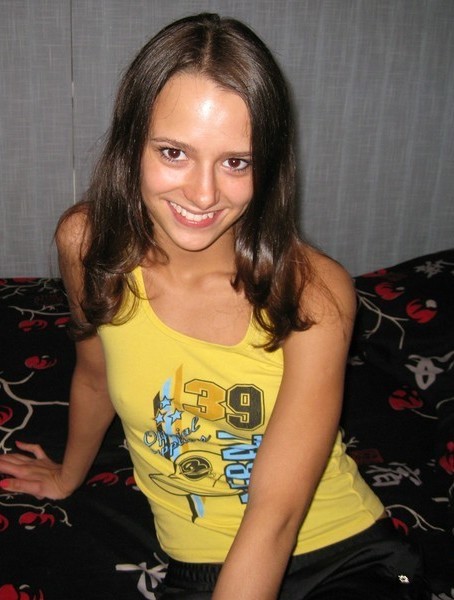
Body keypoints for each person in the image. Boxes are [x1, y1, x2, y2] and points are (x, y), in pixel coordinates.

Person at [0, 13, 427, 600]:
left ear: (267, 166)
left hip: (339, 551)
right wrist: (68, 476)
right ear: (132, 144)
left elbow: (276, 516)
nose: (203, 194)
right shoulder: (87, 242)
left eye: (236, 162)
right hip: (201, 561)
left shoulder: (313, 291)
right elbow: (96, 373)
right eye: (174, 152)